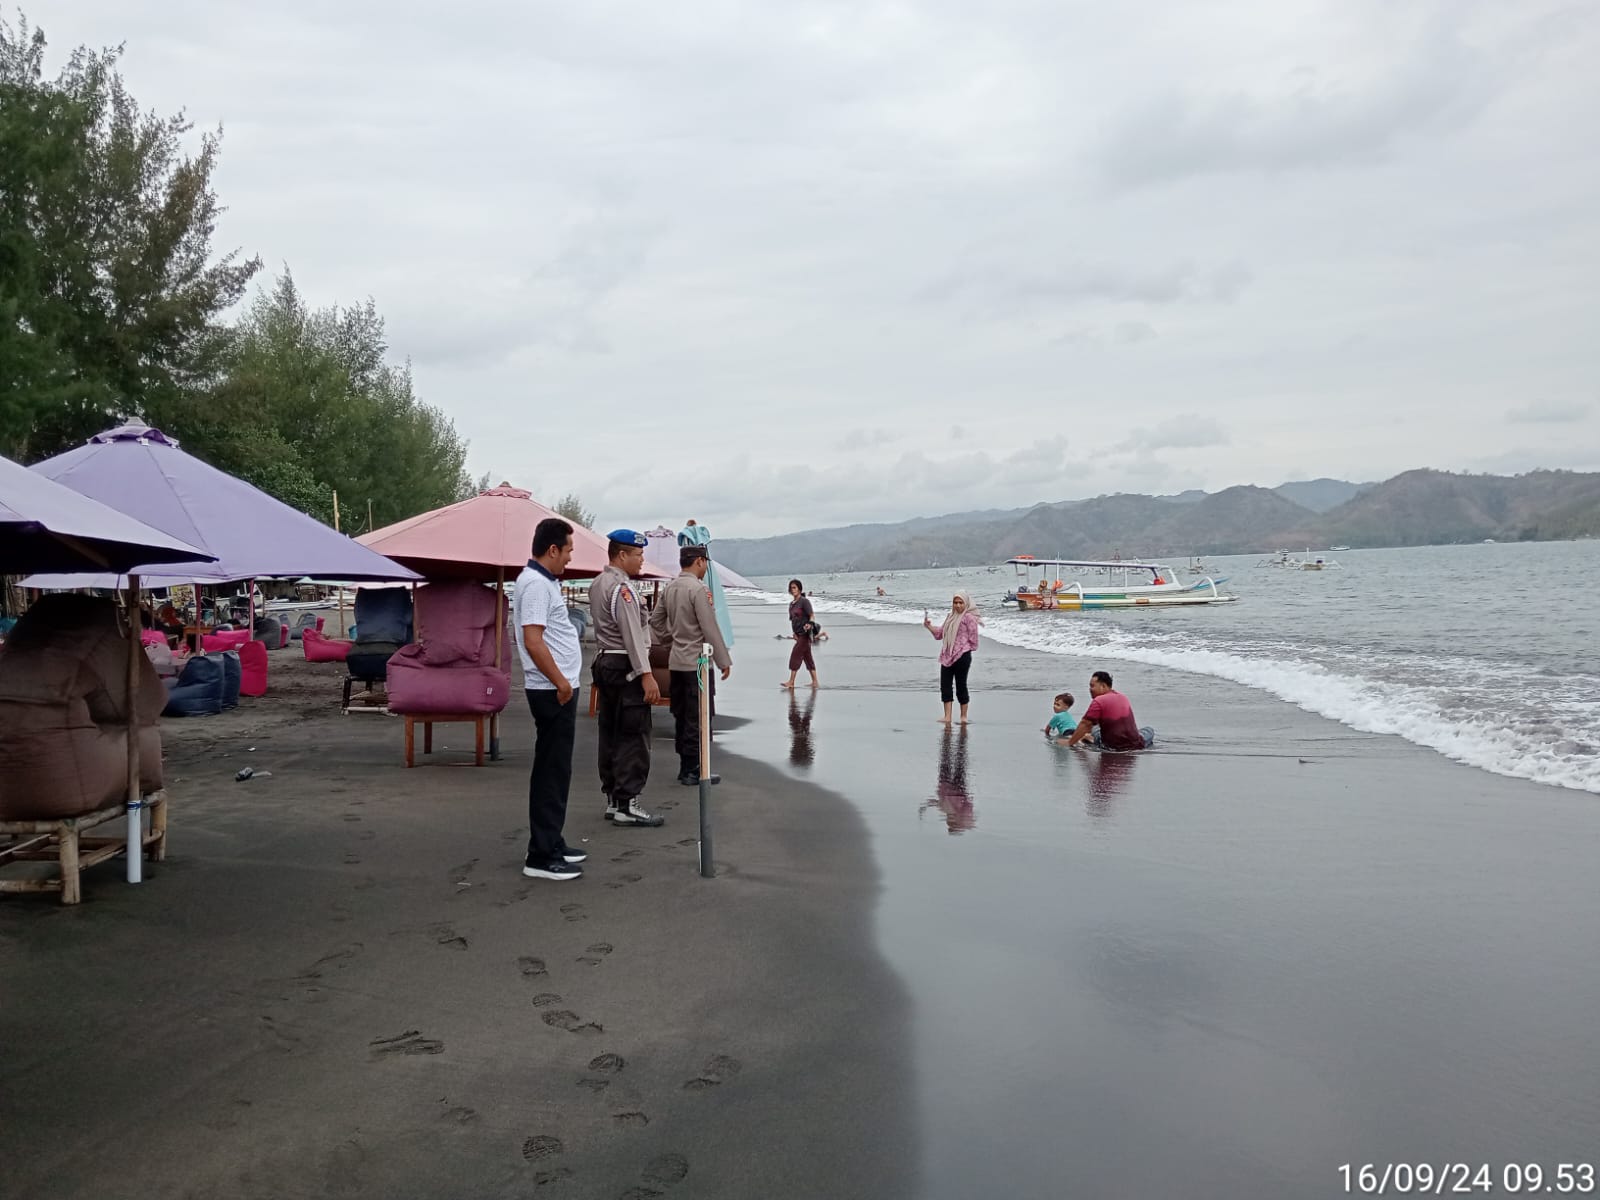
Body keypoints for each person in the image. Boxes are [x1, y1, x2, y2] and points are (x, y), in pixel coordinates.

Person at [514, 517, 586, 881]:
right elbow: (533, 640)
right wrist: (560, 681)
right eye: (568, 550)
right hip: (550, 689)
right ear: (552, 549)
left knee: (557, 769)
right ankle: (540, 855)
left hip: (555, 686)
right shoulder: (536, 585)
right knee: (551, 770)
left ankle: (552, 840)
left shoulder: (542, 582)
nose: (570, 558)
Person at [589, 529, 663, 827]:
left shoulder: (597, 583)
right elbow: (632, 635)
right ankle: (627, 802)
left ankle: (612, 799)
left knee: (610, 731)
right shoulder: (623, 589)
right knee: (633, 733)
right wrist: (647, 675)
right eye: (638, 554)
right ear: (621, 555)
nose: (641, 560)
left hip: (605, 660)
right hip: (625, 664)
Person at [649, 544, 732, 786]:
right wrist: (723, 659)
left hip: (676, 661)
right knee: (700, 716)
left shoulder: (670, 587)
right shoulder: (698, 589)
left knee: (682, 716)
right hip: (697, 664)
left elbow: (655, 621)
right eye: (705, 562)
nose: (706, 567)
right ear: (698, 561)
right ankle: (696, 769)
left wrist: (670, 639)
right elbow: (709, 626)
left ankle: (686, 766)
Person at [924, 590, 980, 725]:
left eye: (961, 602)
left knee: (961, 685)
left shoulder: (969, 618)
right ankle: (947, 716)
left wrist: (964, 649)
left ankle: (963, 716)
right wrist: (929, 626)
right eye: (955, 602)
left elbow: (974, 640)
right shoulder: (950, 617)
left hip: (963, 655)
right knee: (945, 686)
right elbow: (939, 634)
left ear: (965, 603)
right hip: (947, 655)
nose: (958, 605)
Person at [1065, 670, 1155, 750]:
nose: (1090, 689)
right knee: (1149, 730)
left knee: (1095, 728)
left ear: (1103, 686)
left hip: (1112, 746)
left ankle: (1087, 737)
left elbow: (1086, 724)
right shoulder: (1123, 697)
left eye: (1092, 686)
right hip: (1136, 744)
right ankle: (1087, 736)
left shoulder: (1099, 701)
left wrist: (1070, 742)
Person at [782, 579, 820, 690]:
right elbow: (793, 620)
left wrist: (810, 623)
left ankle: (791, 681)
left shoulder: (804, 601)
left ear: (799, 588)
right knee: (807, 657)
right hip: (798, 634)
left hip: (805, 634)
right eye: (791, 588)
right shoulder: (791, 604)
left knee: (795, 655)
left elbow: (812, 615)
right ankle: (815, 682)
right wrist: (794, 633)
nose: (792, 590)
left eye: (794, 587)